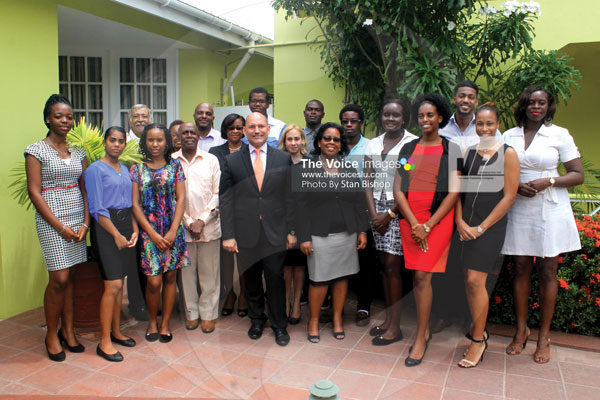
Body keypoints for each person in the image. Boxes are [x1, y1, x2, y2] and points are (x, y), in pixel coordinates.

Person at [502, 86, 584, 364]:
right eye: (531, 102)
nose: (536, 107)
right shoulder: (508, 135)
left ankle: (543, 337)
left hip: (550, 207)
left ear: (549, 106)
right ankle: (521, 329)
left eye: (542, 102)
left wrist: (549, 180)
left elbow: (577, 175)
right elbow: (498, 170)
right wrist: (515, 185)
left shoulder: (559, 134)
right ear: (524, 105)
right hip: (519, 206)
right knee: (520, 268)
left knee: (548, 271)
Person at [447, 103, 519, 368]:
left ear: (497, 124)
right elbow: (457, 192)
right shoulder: (467, 152)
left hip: (490, 228)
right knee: (469, 282)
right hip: (466, 226)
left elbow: (509, 197)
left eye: (489, 123)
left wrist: (482, 228)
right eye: (480, 123)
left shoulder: (508, 153)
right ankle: (479, 330)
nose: (484, 128)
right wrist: (459, 221)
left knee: (475, 281)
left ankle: (478, 340)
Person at [393, 93, 460, 366]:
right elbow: (399, 188)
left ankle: (421, 336)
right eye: (421, 115)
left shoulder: (451, 149)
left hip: (438, 222)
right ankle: (424, 330)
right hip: (411, 220)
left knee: (422, 276)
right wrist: (414, 224)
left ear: (440, 117)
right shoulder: (408, 149)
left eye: (430, 115)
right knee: (418, 278)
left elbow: (454, 192)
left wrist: (428, 226)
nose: (425, 120)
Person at [220, 112, 296, 346]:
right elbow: (226, 200)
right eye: (251, 127)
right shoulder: (232, 161)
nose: (256, 131)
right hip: (245, 232)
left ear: (268, 129)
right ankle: (256, 320)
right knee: (251, 279)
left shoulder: (283, 158)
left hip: (275, 231)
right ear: (244, 131)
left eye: (261, 126)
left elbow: (290, 197)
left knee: (275, 279)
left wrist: (292, 231)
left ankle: (279, 325)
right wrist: (229, 235)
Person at [25, 94, 89, 361]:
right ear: (47, 119)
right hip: (52, 220)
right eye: (59, 116)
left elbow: (85, 190)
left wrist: (85, 223)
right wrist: (60, 227)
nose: (65, 120)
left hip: (77, 219)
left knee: (71, 276)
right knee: (59, 278)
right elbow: (34, 192)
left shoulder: (79, 151)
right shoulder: (36, 150)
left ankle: (68, 330)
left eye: (69, 117)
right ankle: (51, 333)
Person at [297, 122, 369, 343]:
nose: (331, 142)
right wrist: (304, 237)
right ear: (319, 142)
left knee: (341, 277)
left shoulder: (348, 169)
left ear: (341, 144)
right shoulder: (306, 169)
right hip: (319, 235)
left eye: (336, 139)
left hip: (347, 234)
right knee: (319, 280)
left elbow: (359, 202)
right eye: (327, 138)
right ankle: (313, 321)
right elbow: (300, 207)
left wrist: (362, 231)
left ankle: (338, 318)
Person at [130, 123, 191, 343]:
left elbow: (181, 199)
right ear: (144, 142)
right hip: (149, 232)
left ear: (166, 142)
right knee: (154, 282)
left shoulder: (175, 166)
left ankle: (165, 323)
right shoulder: (137, 169)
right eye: (150, 140)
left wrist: (173, 231)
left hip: (172, 230)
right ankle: (152, 321)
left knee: (171, 276)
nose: (155, 144)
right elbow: (135, 204)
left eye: (159, 140)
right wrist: (152, 234)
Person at [364, 98, 417, 345]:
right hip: (376, 209)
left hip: (398, 210)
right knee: (384, 266)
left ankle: (395, 327)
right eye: (386, 114)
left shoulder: (412, 144)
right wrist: (374, 214)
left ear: (404, 118)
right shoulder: (373, 143)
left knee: (394, 267)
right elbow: (367, 179)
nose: (390, 119)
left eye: (396, 115)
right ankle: (387, 320)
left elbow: (411, 183)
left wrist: (390, 214)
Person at [84, 126, 139, 362]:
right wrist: (116, 234)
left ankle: (117, 332)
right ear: (104, 142)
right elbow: (96, 207)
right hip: (106, 228)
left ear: (125, 144)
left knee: (121, 282)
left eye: (120, 141)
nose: (116, 145)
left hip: (126, 226)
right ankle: (104, 341)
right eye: (112, 140)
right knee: (112, 285)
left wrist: (135, 230)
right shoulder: (95, 169)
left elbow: (131, 203)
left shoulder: (125, 169)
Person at [172, 122, 222, 333]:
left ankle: (208, 314)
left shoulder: (211, 160)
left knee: (210, 274)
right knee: (187, 276)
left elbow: (218, 193)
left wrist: (201, 220)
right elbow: (172, 197)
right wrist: (188, 222)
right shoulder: (172, 161)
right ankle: (192, 313)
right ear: (178, 137)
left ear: (198, 137)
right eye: (185, 133)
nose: (189, 136)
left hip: (209, 227)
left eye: (193, 132)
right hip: (183, 229)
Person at [209, 114, 248, 317]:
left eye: (239, 128)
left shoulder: (249, 150)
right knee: (225, 258)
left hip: (244, 210)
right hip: (221, 208)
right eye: (231, 127)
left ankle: (243, 296)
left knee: (243, 257)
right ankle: (230, 294)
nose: (235, 131)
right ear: (225, 130)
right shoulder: (215, 152)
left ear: (244, 130)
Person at [339, 104, 374, 326]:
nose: (349, 125)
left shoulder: (370, 146)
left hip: (362, 209)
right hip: (337, 211)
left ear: (361, 123)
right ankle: (337, 307)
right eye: (345, 121)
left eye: (353, 121)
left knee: (364, 260)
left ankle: (363, 305)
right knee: (339, 259)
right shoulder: (334, 144)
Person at [278, 124, 308, 324]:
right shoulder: (278, 163)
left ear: (303, 141)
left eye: (297, 138)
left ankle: (296, 304)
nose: (293, 143)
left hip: (304, 223)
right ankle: (285, 304)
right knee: (285, 267)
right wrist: (289, 230)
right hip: (281, 223)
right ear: (284, 142)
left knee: (299, 266)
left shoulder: (310, 164)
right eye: (289, 139)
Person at [125, 104, 151, 321]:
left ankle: (152, 301)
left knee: (150, 257)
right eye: (136, 116)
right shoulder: (122, 143)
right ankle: (137, 304)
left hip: (153, 210)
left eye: (144, 116)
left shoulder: (154, 141)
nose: (140, 119)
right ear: (130, 120)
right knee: (134, 260)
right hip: (128, 209)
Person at [439, 80, 502, 151]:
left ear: (476, 102)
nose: (466, 100)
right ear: (454, 100)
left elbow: (501, 153)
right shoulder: (442, 128)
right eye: (461, 96)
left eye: (471, 97)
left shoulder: (489, 131)